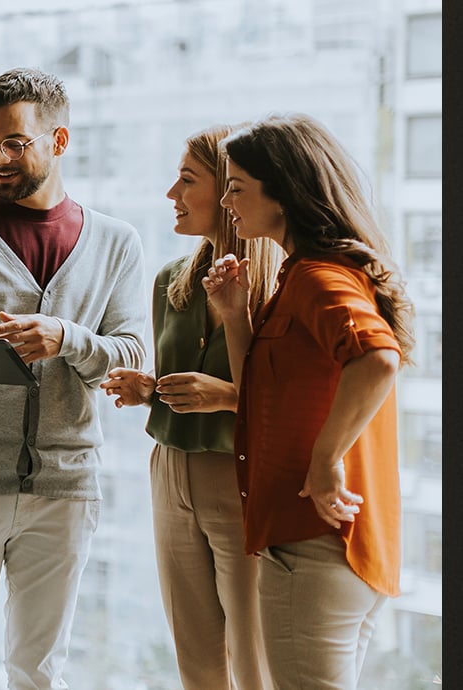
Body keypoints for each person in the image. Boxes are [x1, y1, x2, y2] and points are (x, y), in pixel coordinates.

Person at [0, 67, 148, 690]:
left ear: (59, 142)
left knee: (40, 671)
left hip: (65, 486)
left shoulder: (117, 243)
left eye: (14, 143)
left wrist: (65, 338)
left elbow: (131, 355)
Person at [203, 113, 414, 689]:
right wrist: (235, 318)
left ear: (285, 192)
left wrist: (324, 464)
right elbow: (262, 402)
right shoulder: (298, 279)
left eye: (238, 187)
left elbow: (378, 359)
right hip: (327, 548)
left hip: (315, 544)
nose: (226, 201)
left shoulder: (319, 278)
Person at [100, 125, 282, 689]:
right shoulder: (170, 282)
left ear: (230, 192)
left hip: (238, 476)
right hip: (169, 470)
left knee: (253, 654)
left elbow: (284, 397)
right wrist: (149, 389)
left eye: (186, 180)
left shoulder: (277, 286)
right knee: (195, 653)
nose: (170, 194)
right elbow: (190, 380)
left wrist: (225, 397)